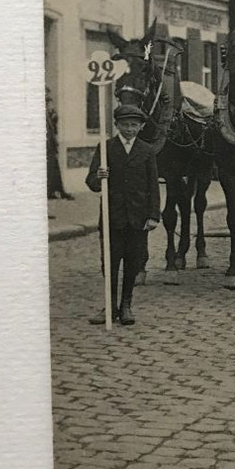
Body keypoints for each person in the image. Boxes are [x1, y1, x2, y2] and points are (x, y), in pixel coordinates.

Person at [85, 102, 161, 326]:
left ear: (140, 127)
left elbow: (153, 186)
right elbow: (91, 182)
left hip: (138, 218)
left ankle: (126, 305)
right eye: (125, 125)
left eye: (134, 125)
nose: (129, 129)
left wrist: (153, 215)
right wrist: (99, 176)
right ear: (117, 125)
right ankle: (109, 306)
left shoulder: (147, 151)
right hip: (112, 217)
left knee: (133, 262)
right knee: (109, 263)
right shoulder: (106, 148)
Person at [46, 87, 73, 200]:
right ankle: (51, 191)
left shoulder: (49, 113)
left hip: (50, 145)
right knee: (49, 169)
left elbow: (53, 129)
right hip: (46, 146)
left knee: (53, 168)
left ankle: (57, 190)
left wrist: (54, 116)